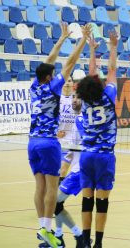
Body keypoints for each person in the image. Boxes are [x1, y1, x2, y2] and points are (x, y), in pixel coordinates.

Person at [29, 23, 90, 248]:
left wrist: (62, 39)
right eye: (53, 74)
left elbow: (49, 61)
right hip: (48, 142)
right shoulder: (54, 88)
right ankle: (47, 229)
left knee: (39, 186)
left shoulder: (34, 86)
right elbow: (70, 62)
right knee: (52, 189)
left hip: (31, 142)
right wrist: (82, 40)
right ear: (49, 78)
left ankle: (43, 227)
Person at [76, 30, 119, 248]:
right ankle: (98, 243)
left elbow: (92, 74)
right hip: (104, 157)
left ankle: (84, 239)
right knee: (102, 201)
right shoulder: (109, 97)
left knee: (87, 199)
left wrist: (91, 49)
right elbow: (111, 69)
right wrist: (113, 46)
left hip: (86, 156)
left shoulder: (84, 101)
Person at [40, 95, 85, 248]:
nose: (74, 100)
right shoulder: (76, 121)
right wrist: (62, 170)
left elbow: (88, 144)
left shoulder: (81, 120)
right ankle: (60, 237)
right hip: (77, 169)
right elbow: (72, 152)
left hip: (82, 170)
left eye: (78, 98)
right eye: (74, 97)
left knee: (54, 202)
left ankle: (79, 237)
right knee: (57, 203)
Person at [57, 77, 79, 182]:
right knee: (54, 171)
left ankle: (58, 195)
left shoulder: (76, 100)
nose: (66, 83)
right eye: (65, 81)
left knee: (63, 169)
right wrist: (54, 133)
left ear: (73, 84)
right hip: (56, 140)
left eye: (69, 81)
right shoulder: (56, 99)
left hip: (71, 141)